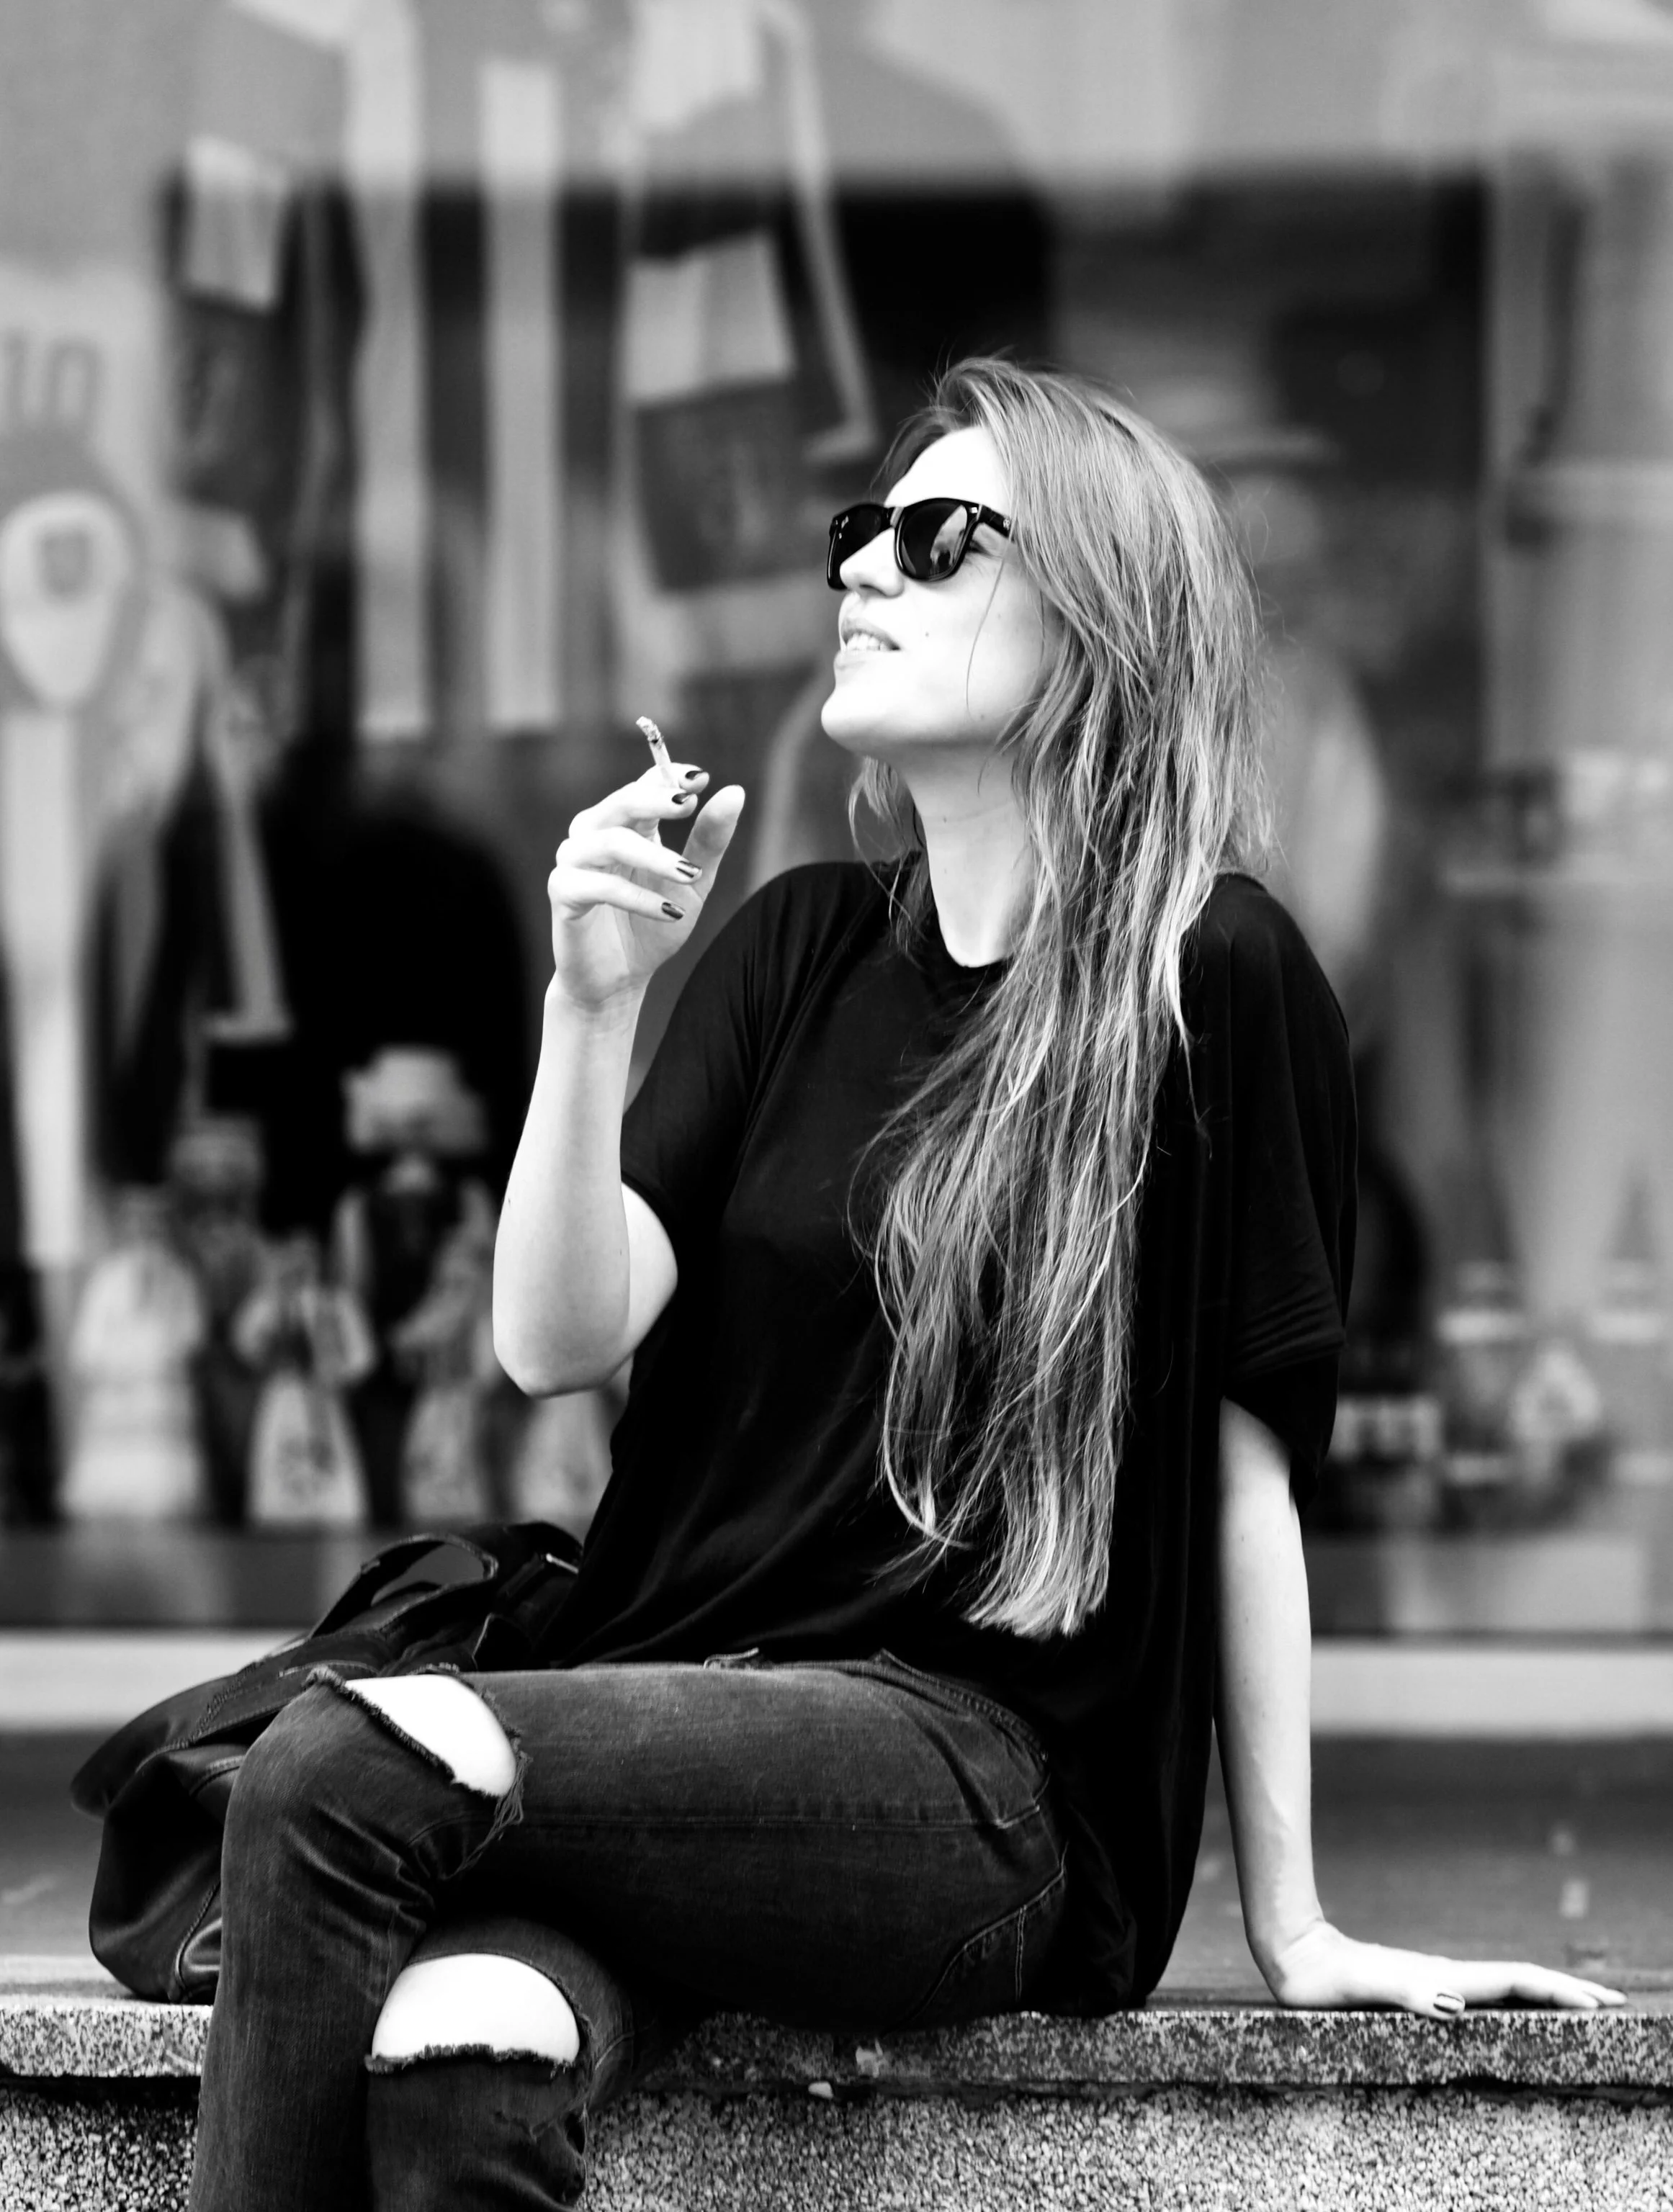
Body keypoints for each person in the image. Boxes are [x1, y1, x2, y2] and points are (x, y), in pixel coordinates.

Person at [187, 360, 1620, 2212]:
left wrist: (1297, 1923)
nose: (864, 566)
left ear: (1097, 617)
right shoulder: (792, 947)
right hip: (673, 1721)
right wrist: (589, 1006)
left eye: (938, 539)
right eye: (864, 529)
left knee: (339, 1768)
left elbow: (1244, 1481)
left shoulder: (1214, 975)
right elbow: (553, 1340)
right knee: (462, 2051)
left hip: (983, 1786)